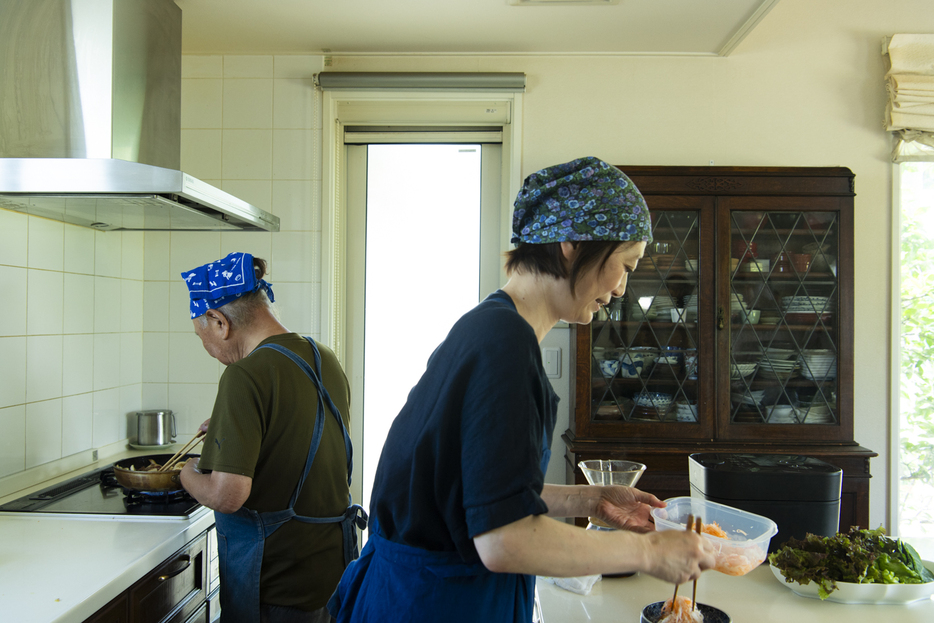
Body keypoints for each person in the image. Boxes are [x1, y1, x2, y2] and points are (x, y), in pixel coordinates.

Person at [326, 157, 716, 623]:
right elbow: (505, 539)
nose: (621, 288)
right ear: (572, 243)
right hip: (439, 605)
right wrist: (649, 553)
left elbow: (478, 491)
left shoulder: (488, 325)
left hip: (414, 595)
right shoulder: (506, 348)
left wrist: (589, 500)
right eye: (624, 265)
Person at [178, 252, 366, 623]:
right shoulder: (323, 356)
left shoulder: (244, 375)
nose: (211, 352)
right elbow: (298, 436)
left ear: (218, 322)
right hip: (331, 574)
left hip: (276, 587)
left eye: (203, 336)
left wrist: (187, 471)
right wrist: (234, 425)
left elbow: (226, 496)